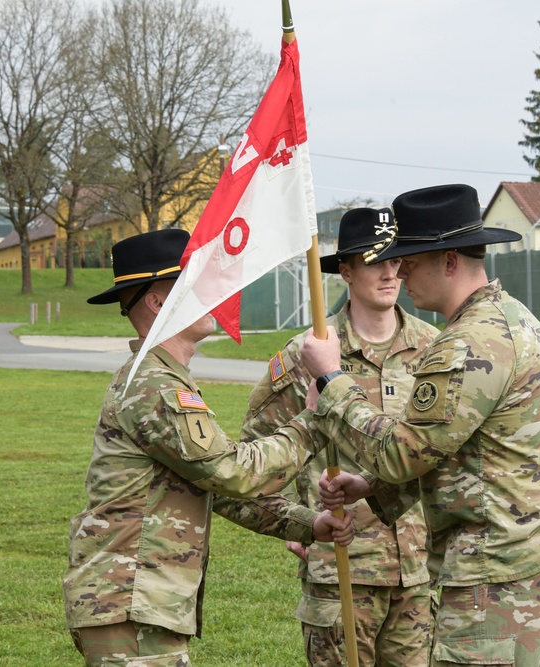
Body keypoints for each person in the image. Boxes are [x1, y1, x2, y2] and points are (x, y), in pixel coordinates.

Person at [301, 184, 540, 667]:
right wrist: (372, 486)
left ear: (448, 261)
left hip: (504, 562)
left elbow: (404, 451)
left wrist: (333, 385)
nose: (400, 272)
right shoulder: (516, 319)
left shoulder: (466, 344)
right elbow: (460, 448)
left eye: (411, 260)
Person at [62, 228, 353, 667]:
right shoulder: (155, 386)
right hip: (128, 600)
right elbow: (232, 472)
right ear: (158, 303)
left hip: (137, 601)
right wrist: (314, 419)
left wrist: (309, 525)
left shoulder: (164, 378)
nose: (212, 293)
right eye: (194, 284)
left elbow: (215, 490)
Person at [236, 207, 438, 667]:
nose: (389, 272)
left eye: (396, 259)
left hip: (418, 571)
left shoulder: (434, 349)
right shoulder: (309, 354)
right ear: (345, 270)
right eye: (374, 260)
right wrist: (297, 519)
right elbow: (255, 454)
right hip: (341, 567)